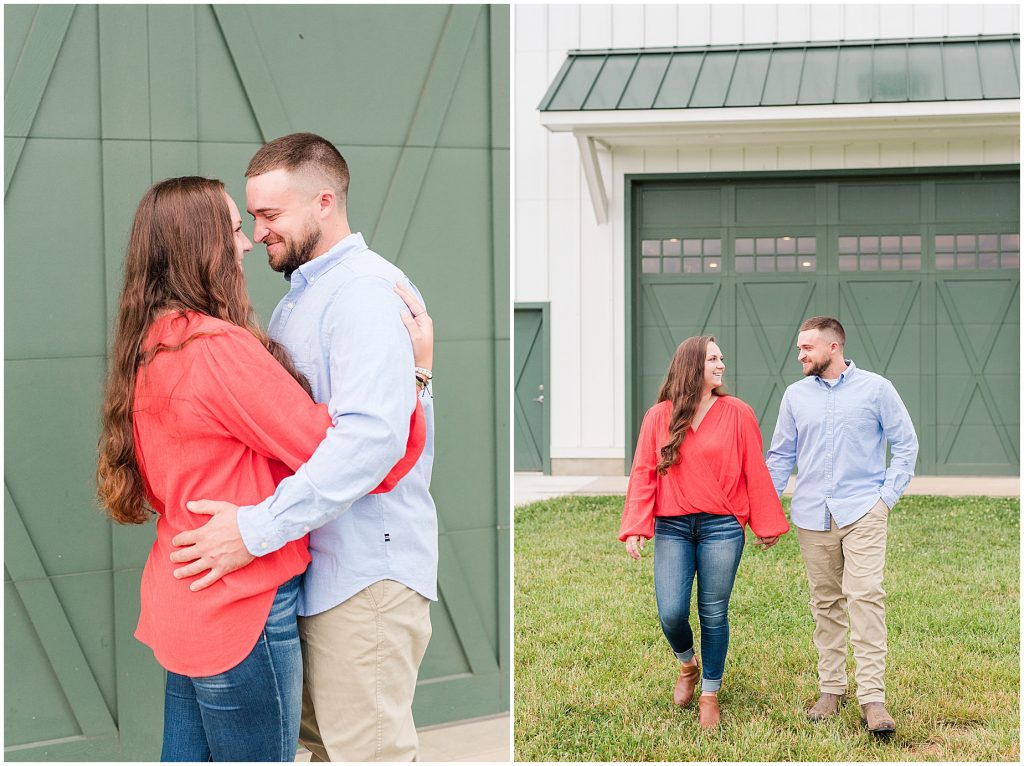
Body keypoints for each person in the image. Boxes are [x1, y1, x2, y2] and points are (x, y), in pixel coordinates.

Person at [95, 177, 432, 761]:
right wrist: (417, 377)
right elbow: (357, 446)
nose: (248, 241)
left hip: (184, 597)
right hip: (242, 603)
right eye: (233, 227)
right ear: (200, 243)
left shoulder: (150, 346)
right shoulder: (217, 347)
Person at [620, 335, 790, 728]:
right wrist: (635, 527)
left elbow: (754, 470)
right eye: (713, 358)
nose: (721, 365)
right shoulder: (658, 416)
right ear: (693, 365)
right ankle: (687, 665)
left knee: (713, 613)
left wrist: (765, 521)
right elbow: (644, 473)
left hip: (722, 526)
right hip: (673, 526)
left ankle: (710, 692)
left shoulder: (738, 412)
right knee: (672, 612)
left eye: (722, 358)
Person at [766, 316, 918, 736]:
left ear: (833, 347)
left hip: (863, 510)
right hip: (812, 515)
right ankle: (831, 689)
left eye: (806, 348)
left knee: (866, 596)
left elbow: (905, 443)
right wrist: (766, 509)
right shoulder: (795, 396)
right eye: (799, 348)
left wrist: (886, 499)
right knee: (826, 603)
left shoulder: (877, 389)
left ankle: (873, 699)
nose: (800, 355)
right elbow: (780, 456)